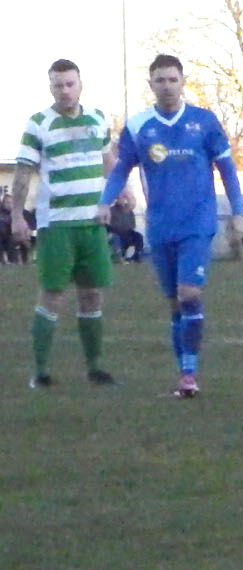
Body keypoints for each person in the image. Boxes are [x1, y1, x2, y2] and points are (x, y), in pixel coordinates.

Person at [98, 53, 243, 399]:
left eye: (172, 79)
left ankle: (190, 376)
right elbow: (121, 169)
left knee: (189, 294)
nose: (167, 86)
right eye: (160, 80)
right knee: (175, 305)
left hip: (197, 221)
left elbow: (227, 169)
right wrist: (106, 199)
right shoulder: (138, 126)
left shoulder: (204, 122)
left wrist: (238, 211)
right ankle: (185, 375)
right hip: (161, 226)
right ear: (151, 84)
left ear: (183, 82)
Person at [12, 58, 118, 389]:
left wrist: (119, 192)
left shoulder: (98, 119)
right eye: (58, 85)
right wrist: (17, 214)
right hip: (56, 225)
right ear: (50, 88)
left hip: (91, 224)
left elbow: (108, 161)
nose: (65, 90)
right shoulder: (39, 123)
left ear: (80, 84)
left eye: (70, 83)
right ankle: (40, 372)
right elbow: (23, 173)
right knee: (52, 296)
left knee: (91, 296)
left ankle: (95, 367)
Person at [108, 193, 144, 262]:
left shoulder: (130, 212)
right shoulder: (111, 211)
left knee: (139, 236)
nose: (124, 200)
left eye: (125, 198)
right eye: (121, 198)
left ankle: (136, 256)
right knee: (116, 238)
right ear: (116, 200)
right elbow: (107, 225)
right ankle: (118, 257)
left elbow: (133, 226)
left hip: (128, 234)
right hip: (116, 235)